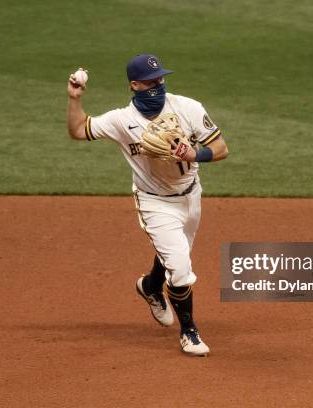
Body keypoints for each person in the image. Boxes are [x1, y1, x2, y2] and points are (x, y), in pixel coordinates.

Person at [66, 54, 228, 356]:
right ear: (135, 84)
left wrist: (195, 154)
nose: (158, 86)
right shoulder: (120, 121)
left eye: (161, 79)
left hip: (192, 195)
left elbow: (221, 148)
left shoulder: (188, 108)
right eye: (151, 82)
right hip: (154, 202)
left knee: (176, 251)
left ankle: (151, 287)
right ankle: (189, 332)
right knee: (180, 269)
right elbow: (78, 130)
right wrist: (74, 99)